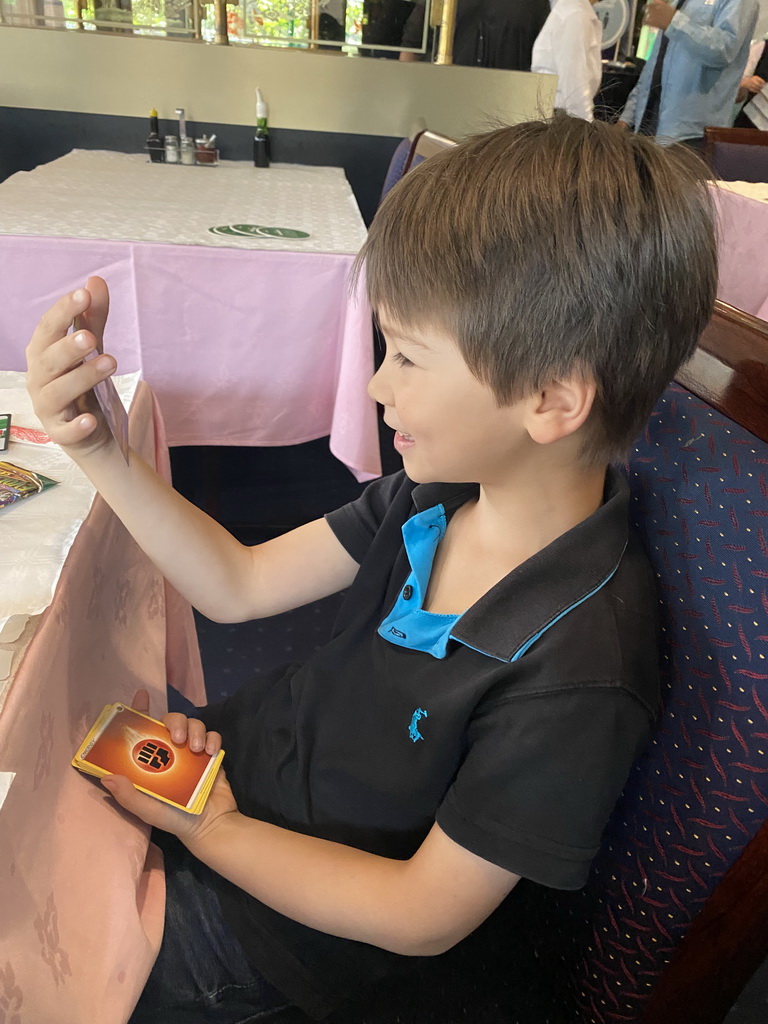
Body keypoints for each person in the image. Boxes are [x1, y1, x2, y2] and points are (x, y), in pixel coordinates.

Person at [26, 114, 718, 1024]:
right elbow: (238, 585)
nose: (377, 386)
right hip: (243, 788)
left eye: (409, 357)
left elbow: (418, 914)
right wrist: (103, 451)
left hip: (295, 945)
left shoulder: (579, 667)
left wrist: (214, 829)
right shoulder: (435, 496)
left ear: (551, 398)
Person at [617, 0, 758, 148]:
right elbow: (655, 65)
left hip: (692, 135)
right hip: (648, 125)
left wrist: (674, 22)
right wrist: (628, 117)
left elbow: (724, 50)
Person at [399, 0, 549, 67]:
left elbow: (545, 57)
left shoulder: (534, 3)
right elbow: (413, 44)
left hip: (509, 107)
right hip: (445, 98)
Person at [530, 0, 603, 121]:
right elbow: (574, 78)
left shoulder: (572, 10)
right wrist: (584, 127)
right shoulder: (576, 14)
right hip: (562, 116)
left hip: (555, 111)